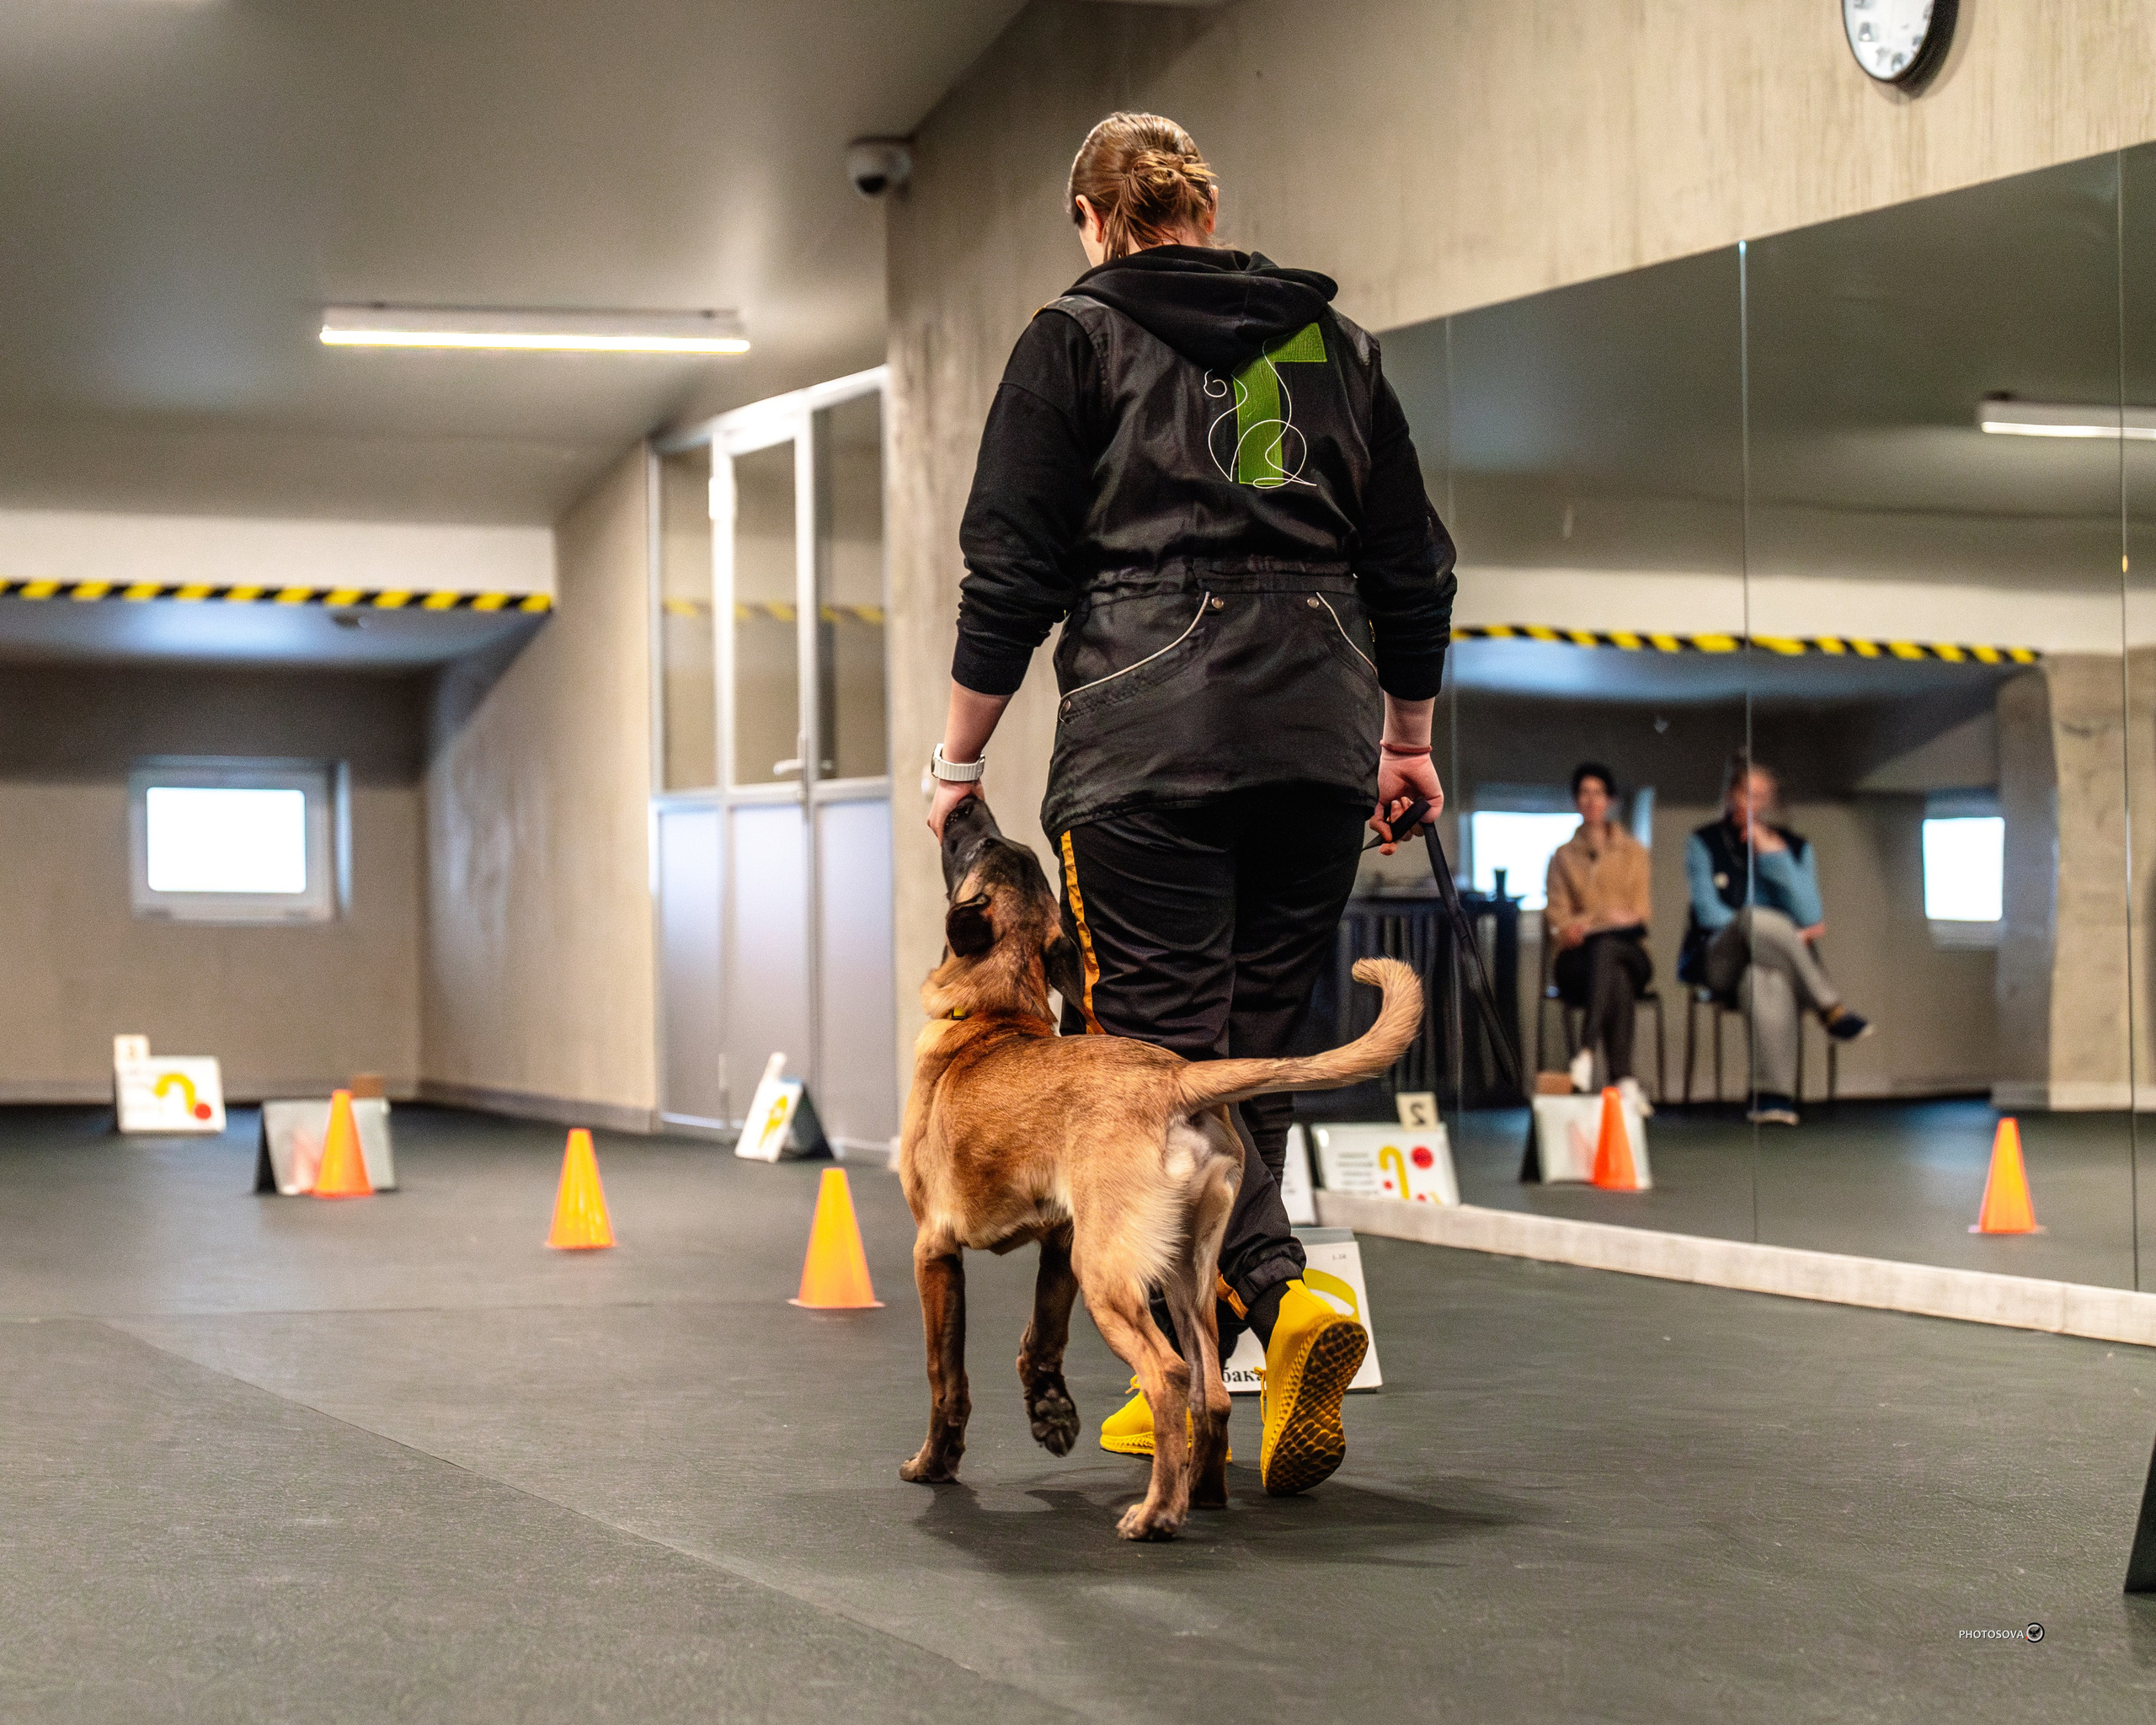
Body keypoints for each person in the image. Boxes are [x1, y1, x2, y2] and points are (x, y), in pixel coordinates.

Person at [923, 112, 1455, 1495]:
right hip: (1320, 732)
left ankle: (1287, 1307)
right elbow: (1412, 564)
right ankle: (1215, 1366)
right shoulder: (1328, 343)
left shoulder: (1075, 337)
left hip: (1151, 738)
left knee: (1145, 1064)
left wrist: (957, 761)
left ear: (1093, 219)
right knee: (1253, 1062)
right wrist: (1406, 738)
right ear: (1205, 216)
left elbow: (1012, 565)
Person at [1684, 754, 1873, 1125]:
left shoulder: (1794, 847)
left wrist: (1773, 855)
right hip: (1721, 957)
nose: (1754, 804)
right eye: (1747, 794)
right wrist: (1781, 931)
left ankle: (1772, 1098)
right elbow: (1709, 912)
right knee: (1755, 918)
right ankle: (1830, 1007)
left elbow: (1811, 913)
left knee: (1763, 976)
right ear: (1730, 796)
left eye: (1762, 796)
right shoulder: (1703, 842)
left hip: (1775, 962)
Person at [1545, 761, 1654, 1114]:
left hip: (1630, 950)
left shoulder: (1634, 851)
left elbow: (1638, 913)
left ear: (1610, 800)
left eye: (1598, 793)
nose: (1591, 801)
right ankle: (1624, 1080)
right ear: (1576, 801)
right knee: (1611, 968)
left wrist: (1587, 922)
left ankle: (1587, 1050)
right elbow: (1557, 919)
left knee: (1611, 952)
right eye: (1584, 793)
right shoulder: (1562, 856)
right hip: (1578, 959)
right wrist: (1603, 920)